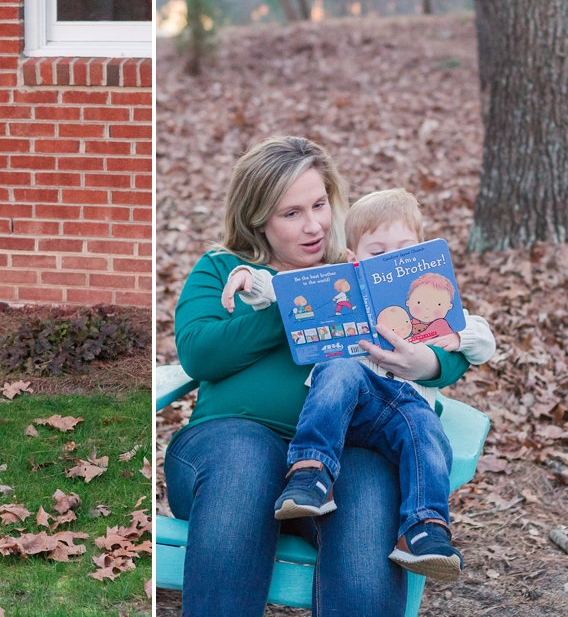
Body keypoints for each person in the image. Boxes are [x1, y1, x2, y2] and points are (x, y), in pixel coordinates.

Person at [165, 137, 472, 617]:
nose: (313, 226)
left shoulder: (358, 274)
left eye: (318, 205)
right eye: (290, 214)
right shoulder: (225, 270)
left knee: (372, 491)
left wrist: (426, 364)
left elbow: (446, 339)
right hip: (227, 448)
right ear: (257, 219)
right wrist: (297, 304)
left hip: (344, 454)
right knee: (249, 464)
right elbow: (200, 353)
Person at [228, 188, 494, 583]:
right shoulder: (342, 286)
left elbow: (484, 338)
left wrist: (459, 337)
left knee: (427, 432)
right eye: (376, 250)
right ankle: (310, 474)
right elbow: (284, 291)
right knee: (339, 368)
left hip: (402, 406)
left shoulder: (432, 296)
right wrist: (250, 279)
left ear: (420, 250)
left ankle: (423, 530)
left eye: (404, 248)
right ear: (354, 258)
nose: (390, 258)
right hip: (347, 404)